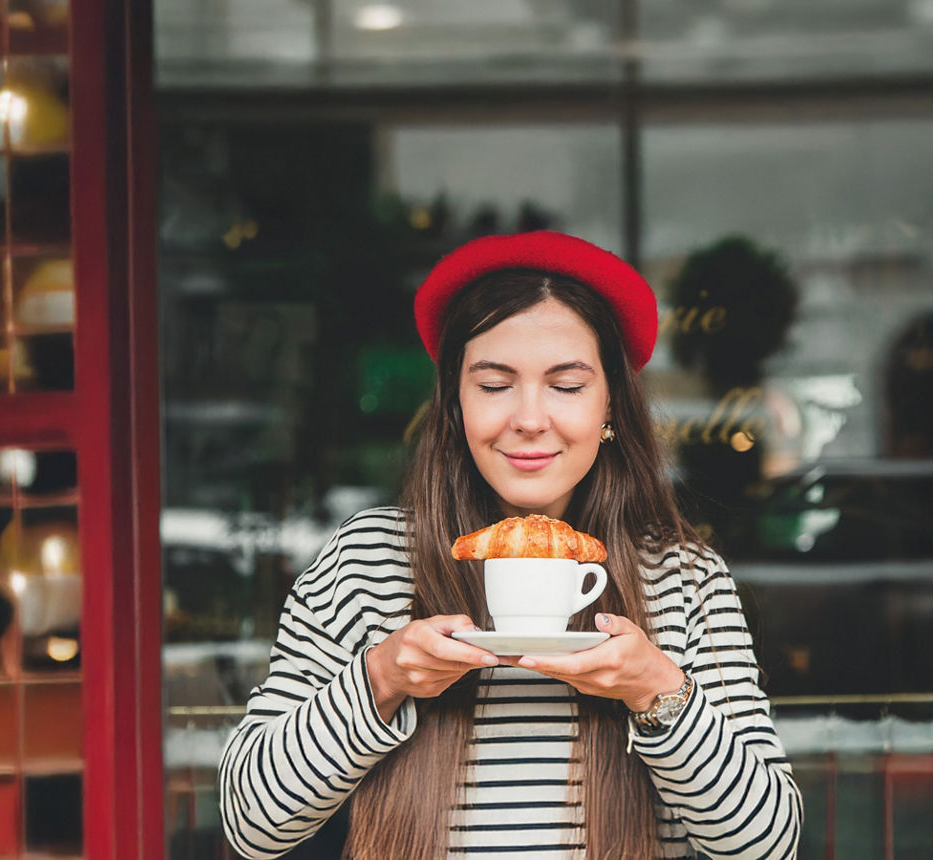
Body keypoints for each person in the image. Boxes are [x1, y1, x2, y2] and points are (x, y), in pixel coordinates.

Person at [218, 231, 803, 859]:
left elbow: (767, 847)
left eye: (567, 386)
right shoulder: (369, 560)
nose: (528, 419)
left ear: (610, 404)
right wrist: (381, 678)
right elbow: (252, 826)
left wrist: (657, 690)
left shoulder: (683, 577)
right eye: (494, 385)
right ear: (455, 402)